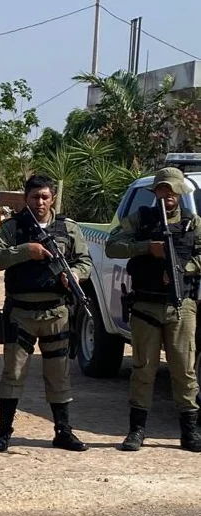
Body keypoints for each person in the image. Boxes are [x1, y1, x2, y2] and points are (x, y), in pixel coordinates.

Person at [0, 174, 92, 453]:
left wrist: (77, 276)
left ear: (52, 198)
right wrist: (26, 251)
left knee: (58, 374)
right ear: (26, 198)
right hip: (20, 312)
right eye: (35, 197)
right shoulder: (13, 227)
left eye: (45, 197)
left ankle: (63, 431)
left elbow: (84, 261)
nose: (40, 202)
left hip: (56, 312)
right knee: (13, 373)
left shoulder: (68, 228)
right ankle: (3, 432)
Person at [105, 167, 201, 452]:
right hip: (146, 304)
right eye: (162, 189)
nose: (167, 195)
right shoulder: (140, 220)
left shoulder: (192, 222)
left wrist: (182, 269)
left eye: (172, 190)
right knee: (143, 369)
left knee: (184, 371)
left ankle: (189, 431)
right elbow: (113, 246)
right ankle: (136, 431)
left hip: (180, 306)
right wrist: (148, 248)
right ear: (155, 191)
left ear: (179, 193)